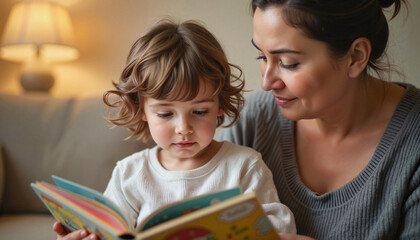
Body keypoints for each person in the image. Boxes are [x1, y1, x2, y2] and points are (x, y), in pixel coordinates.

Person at [53, 19, 296, 240]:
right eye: (166, 114)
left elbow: (280, 228)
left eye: (199, 112)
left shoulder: (244, 166)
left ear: (219, 104)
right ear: (141, 110)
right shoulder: (131, 173)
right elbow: (109, 231)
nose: (183, 128)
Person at [218, 0, 419, 239]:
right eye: (262, 57)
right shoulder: (253, 119)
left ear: (355, 56)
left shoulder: (412, 145)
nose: (266, 82)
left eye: (288, 63)